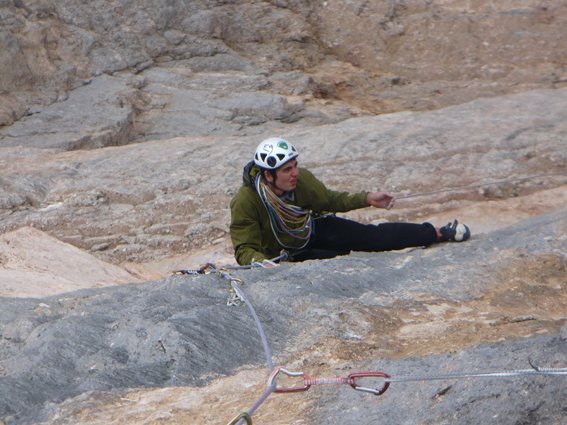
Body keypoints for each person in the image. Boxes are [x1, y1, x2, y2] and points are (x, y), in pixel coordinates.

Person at [230, 137, 470, 266]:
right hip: (285, 254)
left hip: (311, 230)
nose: (294, 173)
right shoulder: (247, 201)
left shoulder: (302, 182)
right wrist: (262, 263)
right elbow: (244, 250)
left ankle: (437, 233)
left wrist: (367, 199)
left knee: (371, 237)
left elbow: (331, 200)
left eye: (295, 166)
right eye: (286, 170)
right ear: (268, 176)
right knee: (337, 258)